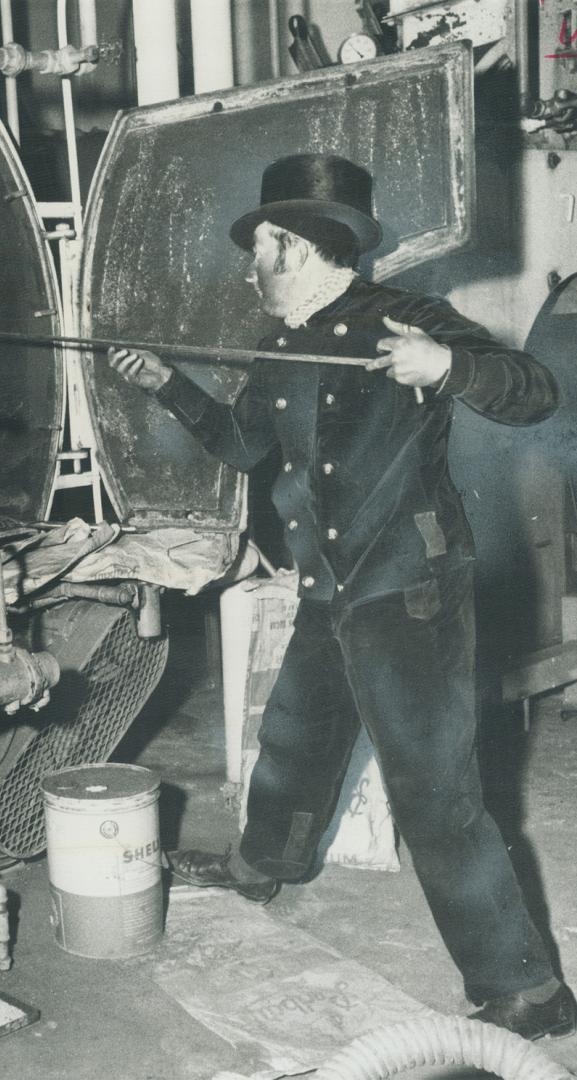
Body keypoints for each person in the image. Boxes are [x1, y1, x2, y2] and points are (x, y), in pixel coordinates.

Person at [109, 153, 571, 1039]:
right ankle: (262, 863)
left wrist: (444, 364)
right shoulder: (277, 341)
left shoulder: (408, 317)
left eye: (264, 248)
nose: (251, 267)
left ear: (309, 247)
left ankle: (527, 989)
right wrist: (168, 386)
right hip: (330, 584)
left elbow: (533, 392)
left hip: (407, 588)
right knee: (293, 737)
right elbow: (247, 450)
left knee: (433, 791)